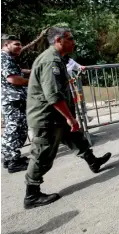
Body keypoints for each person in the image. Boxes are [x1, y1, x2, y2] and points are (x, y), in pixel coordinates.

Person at [24, 26, 111, 209]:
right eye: (70, 39)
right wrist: (71, 118)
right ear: (58, 40)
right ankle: (31, 194)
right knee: (42, 154)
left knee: (76, 138)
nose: (74, 42)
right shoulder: (51, 61)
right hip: (47, 117)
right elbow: (54, 96)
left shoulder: (58, 59)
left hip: (57, 116)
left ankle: (93, 162)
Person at [1, 34, 30, 173]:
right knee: (15, 130)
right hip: (12, 99)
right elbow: (13, 79)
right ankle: (13, 161)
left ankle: (9, 158)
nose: (20, 47)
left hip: (12, 99)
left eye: (20, 44)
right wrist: (32, 81)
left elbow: (15, 72)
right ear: (6, 45)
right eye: (16, 44)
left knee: (13, 129)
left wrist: (30, 71)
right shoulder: (4, 58)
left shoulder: (7, 58)